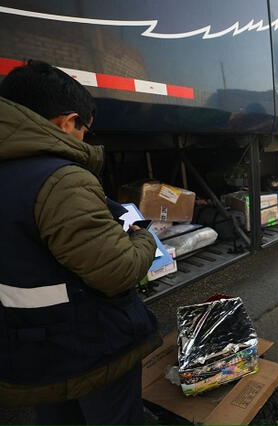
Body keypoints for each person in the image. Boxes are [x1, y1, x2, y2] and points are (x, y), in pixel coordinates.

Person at [0, 60, 160, 423]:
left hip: (30, 347)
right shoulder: (62, 180)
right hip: (88, 345)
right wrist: (144, 238)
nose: (84, 137)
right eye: (84, 128)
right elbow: (118, 271)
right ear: (67, 122)